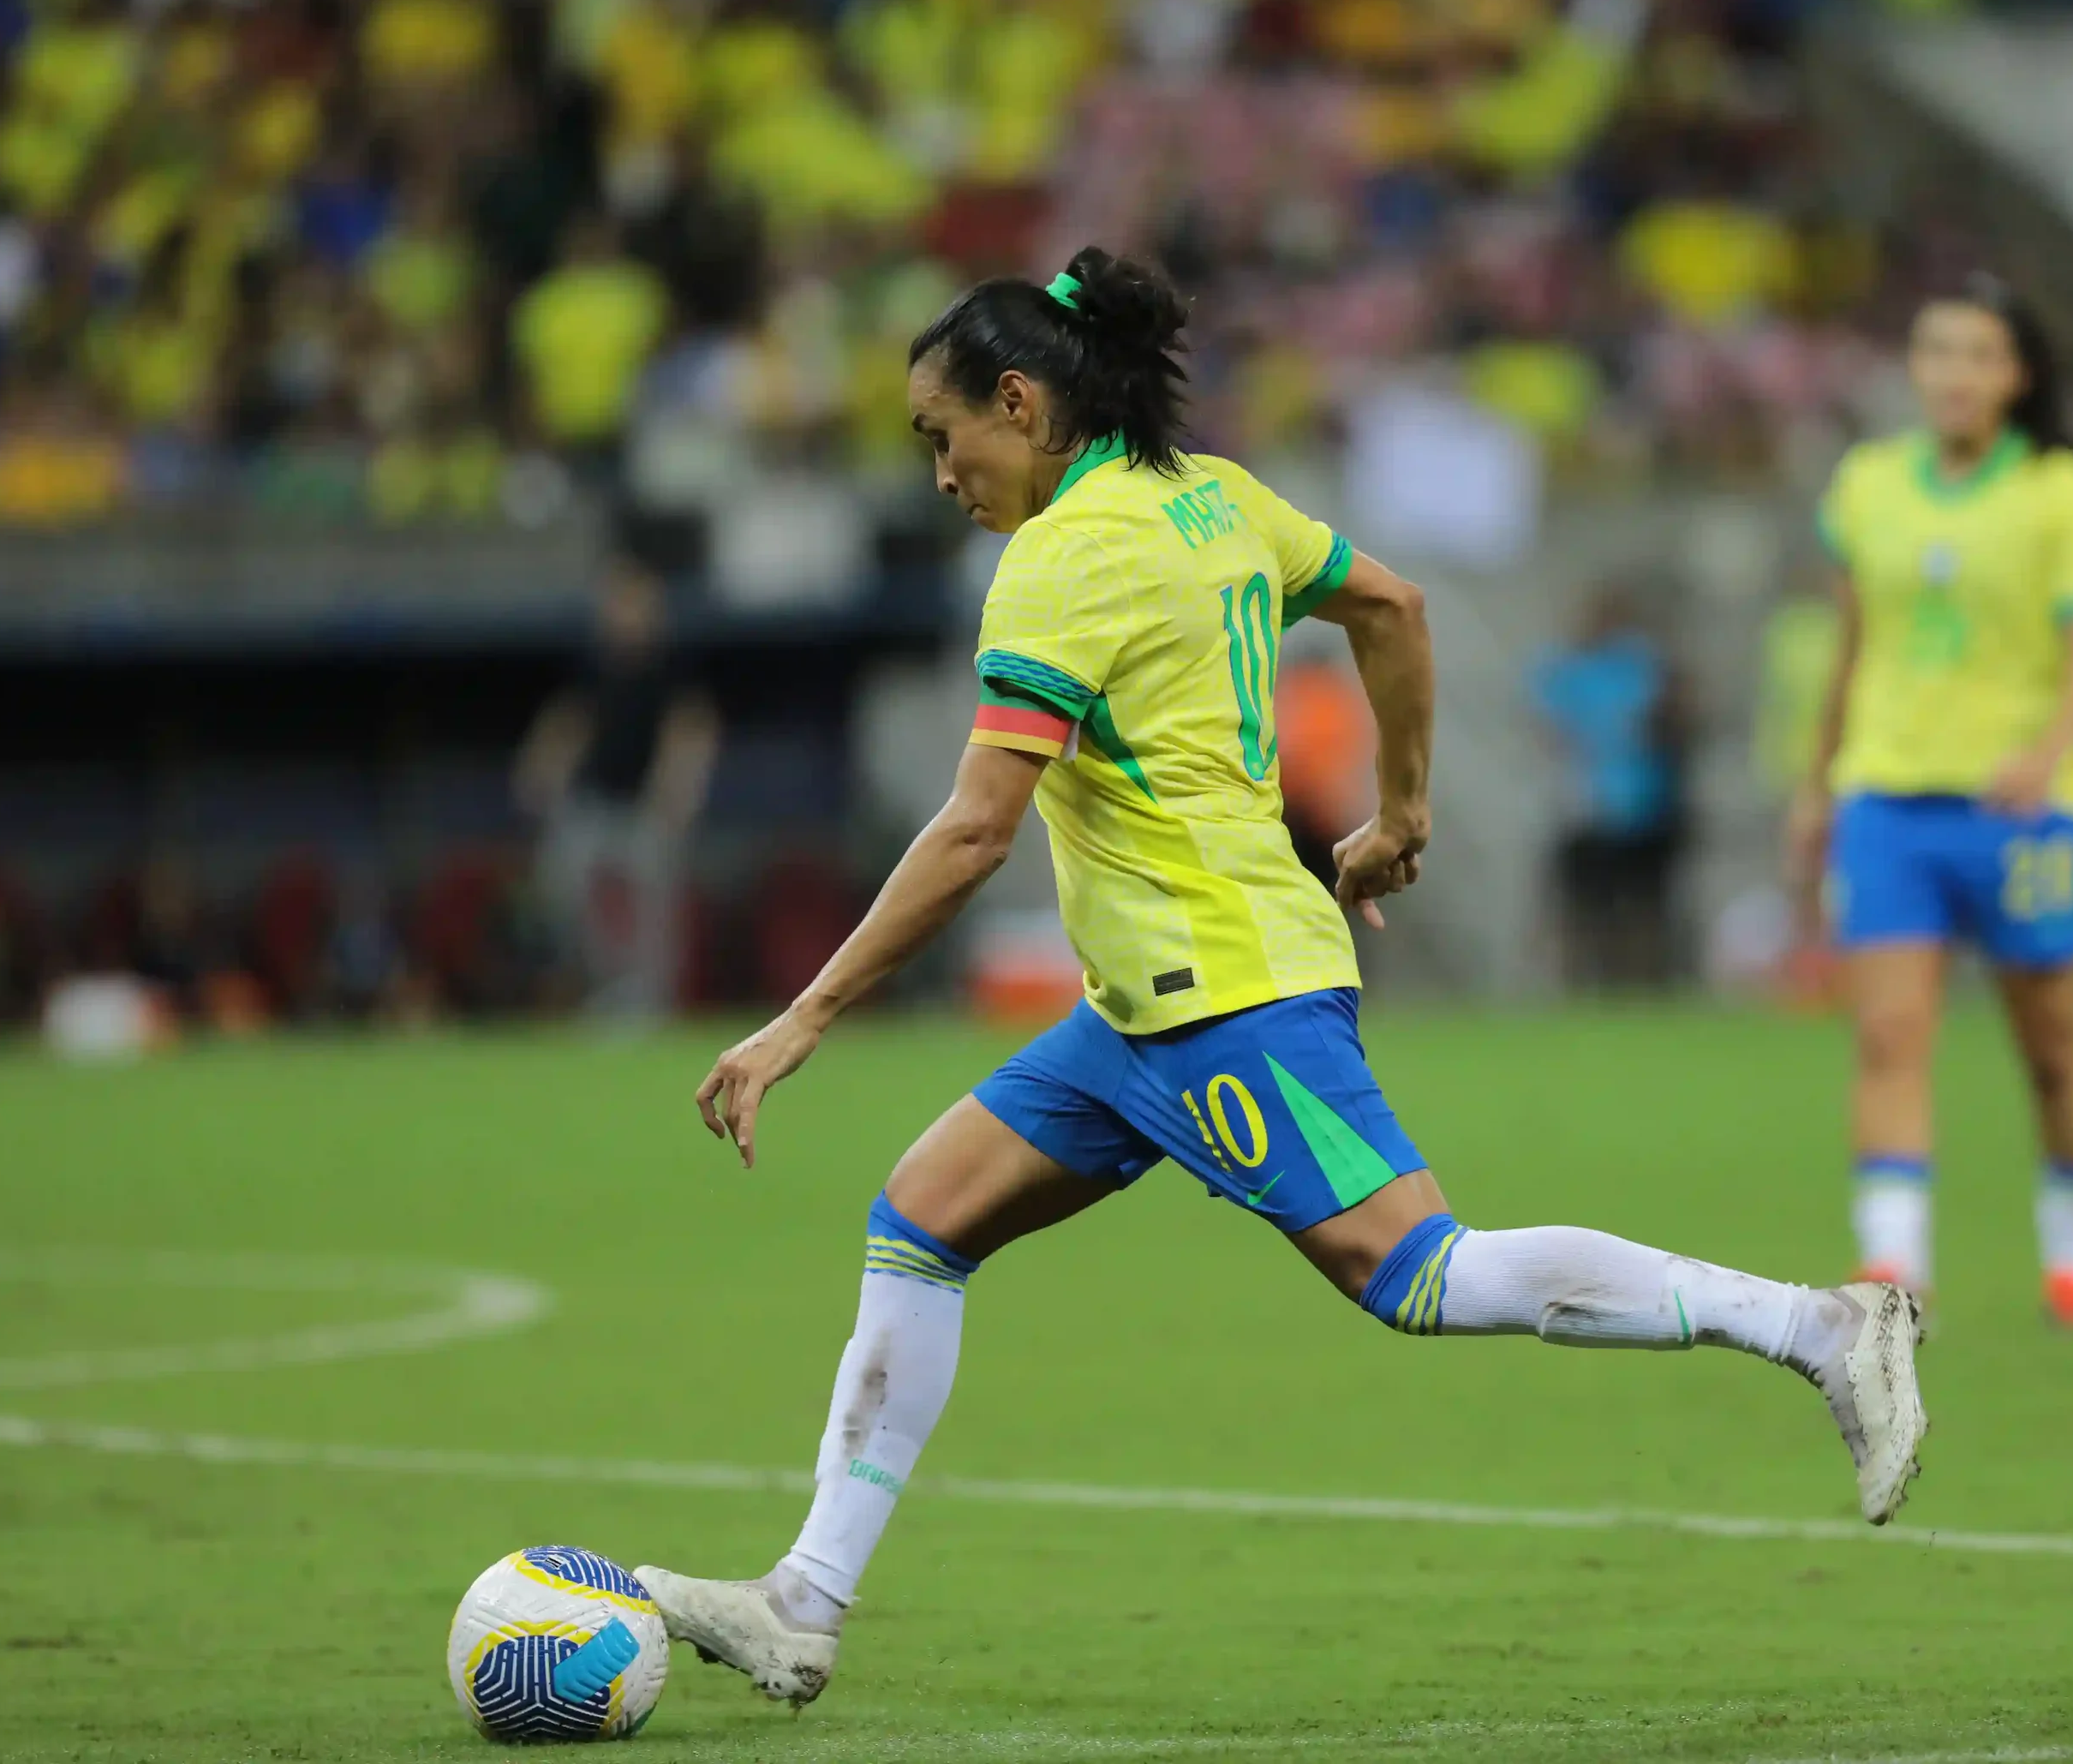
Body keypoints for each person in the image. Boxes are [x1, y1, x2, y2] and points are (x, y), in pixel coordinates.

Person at [632, 248, 1927, 1706]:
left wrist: (803, 1016)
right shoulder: (1219, 496)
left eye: (946, 439)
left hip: (1220, 994)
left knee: (1425, 1275)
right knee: (920, 1220)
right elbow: (1395, 609)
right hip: (1137, 1013)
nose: (942, 476)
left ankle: (1823, 1325)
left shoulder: (1058, 561)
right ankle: (805, 1602)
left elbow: (978, 827)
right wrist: (1405, 813)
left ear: (1019, 401)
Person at [1785, 274, 2073, 1335]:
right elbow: (1853, 645)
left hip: (2025, 809)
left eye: (1977, 355)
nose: (1952, 374)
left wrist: (2048, 751)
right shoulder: (1868, 485)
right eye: (1936, 351)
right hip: (1889, 798)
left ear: (2015, 376)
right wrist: (1817, 778)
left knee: (2053, 1042)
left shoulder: (2062, 492)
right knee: (1888, 1031)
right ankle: (1896, 1268)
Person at [515, 560, 719, 1020]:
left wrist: (681, 785)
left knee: (654, 904)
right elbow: (567, 722)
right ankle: (600, 990)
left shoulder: (672, 667)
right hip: (594, 803)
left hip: (645, 807)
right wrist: (542, 770)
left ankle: (651, 1002)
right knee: (563, 887)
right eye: (620, 604)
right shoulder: (591, 666)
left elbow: (691, 726)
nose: (628, 615)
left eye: (638, 605)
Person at [1531, 585, 1694, 987]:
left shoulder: (1641, 664)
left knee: (1641, 902)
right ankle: (1597, 979)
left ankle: (1641, 978)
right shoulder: (1573, 669)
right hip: (1593, 805)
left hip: (1641, 804)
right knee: (1591, 903)